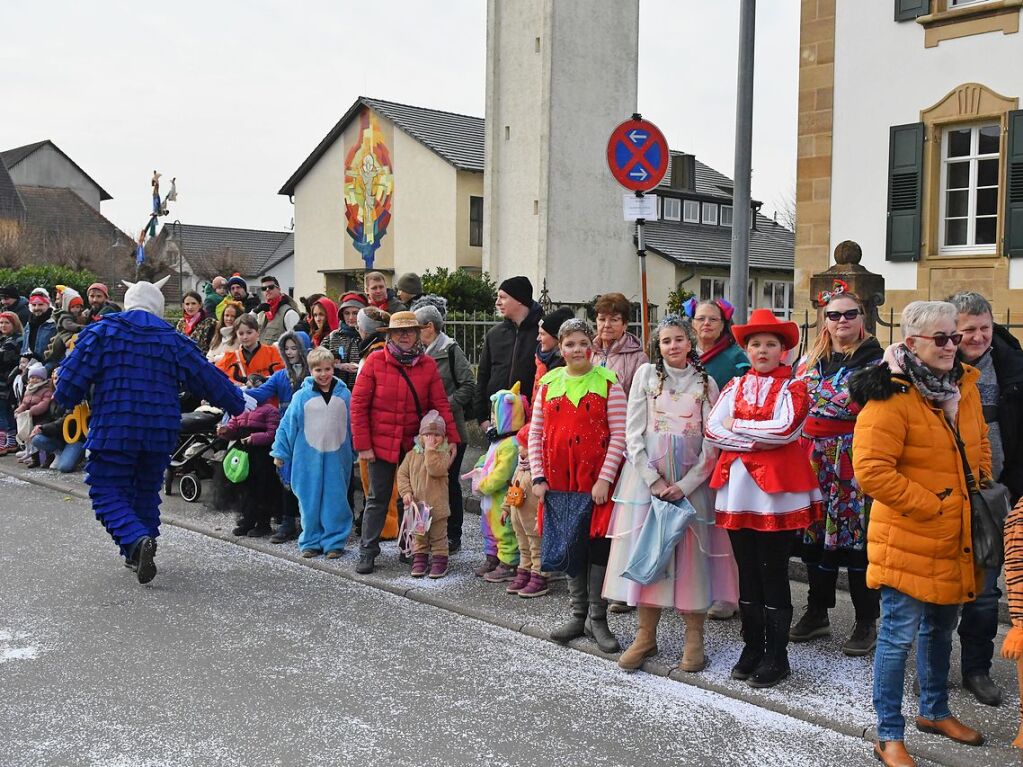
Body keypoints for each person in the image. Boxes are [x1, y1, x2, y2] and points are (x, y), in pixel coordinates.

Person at [850, 300, 988, 766]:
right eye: (942, 339)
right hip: (908, 536)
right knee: (897, 637)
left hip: (955, 534)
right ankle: (888, 734)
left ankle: (933, 710)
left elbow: (979, 442)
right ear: (911, 344)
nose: (954, 345)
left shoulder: (961, 385)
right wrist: (932, 505)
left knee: (941, 628)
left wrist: (978, 482)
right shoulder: (889, 394)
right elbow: (870, 471)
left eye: (956, 336)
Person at [54, 277, 245, 584]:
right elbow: (208, 377)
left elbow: (68, 384)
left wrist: (65, 397)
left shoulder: (102, 331)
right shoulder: (173, 339)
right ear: (157, 306)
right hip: (159, 430)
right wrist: (240, 404)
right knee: (145, 489)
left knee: (106, 489)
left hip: (115, 427)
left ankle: (136, 541)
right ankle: (139, 549)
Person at [607, 315, 738, 673]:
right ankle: (645, 635)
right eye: (666, 341)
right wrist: (652, 480)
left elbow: (713, 441)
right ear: (658, 346)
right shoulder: (646, 378)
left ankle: (694, 641)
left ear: (690, 342)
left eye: (679, 339)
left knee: (691, 559)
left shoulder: (706, 382)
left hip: (690, 484)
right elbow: (633, 435)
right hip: (649, 483)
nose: (673, 346)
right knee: (652, 552)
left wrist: (687, 484)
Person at [705, 308, 821, 689]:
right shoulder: (734, 386)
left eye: (771, 344)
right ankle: (752, 646)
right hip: (737, 491)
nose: (763, 350)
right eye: (756, 344)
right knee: (747, 570)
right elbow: (712, 429)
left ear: (783, 350)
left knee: (773, 572)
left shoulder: (795, 388)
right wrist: (753, 437)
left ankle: (778, 655)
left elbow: (787, 430)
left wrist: (737, 428)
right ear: (747, 349)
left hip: (777, 494)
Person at [790, 283, 883, 656]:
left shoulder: (877, 362)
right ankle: (817, 611)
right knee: (816, 537)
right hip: (812, 458)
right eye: (833, 315)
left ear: (862, 319)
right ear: (823, 321)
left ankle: (866, 620)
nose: (841, 321)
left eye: (849, 314)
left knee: (856, 539)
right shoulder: (810, 362)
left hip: (853, 458)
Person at [529, 318, 627, 654]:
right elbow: (535, 433)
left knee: (597, 545)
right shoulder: (549, 383)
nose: (577, 350)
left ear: (593, 346)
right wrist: (538, 476)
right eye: (569, 344)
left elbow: (620, 435)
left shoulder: (609, 383)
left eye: (583, 343)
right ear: (561, 348)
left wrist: (605, 478)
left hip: (595, 481)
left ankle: (597, 618)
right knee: (571, 544)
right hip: (558, 481)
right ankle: (577, 613)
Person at [948, 290, 1023, 707]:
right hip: (943, 495)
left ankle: (977, 668)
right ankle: (935, 668)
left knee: (986, 590)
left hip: (994, 495)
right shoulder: (934, 366)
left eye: (984, 328)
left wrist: (1012, 489)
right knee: (939, 591)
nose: (977, 337)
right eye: (968, 330)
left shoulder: (1014, 368)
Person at [350, 311, 459, 574]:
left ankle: (409, 547)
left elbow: (440, 404)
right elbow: (358, 406)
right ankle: (368, 550)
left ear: (419, 333)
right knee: (377, 497)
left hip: (413, 444)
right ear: (390, 335)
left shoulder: (427, 365)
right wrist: (363, 444)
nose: (405, 336)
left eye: (410, 330)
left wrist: (452, 437)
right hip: (380, 442)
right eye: (399, 331)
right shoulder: (375, 361)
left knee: (411, 498)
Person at [685, 298, 750, 621]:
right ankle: (699, 586)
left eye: (713, 319)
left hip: (723, 448)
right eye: (701, 319)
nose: (706, 324)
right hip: (689, 448)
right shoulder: (685, 354)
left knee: (721, 523)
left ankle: (728, 593)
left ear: (724, 325)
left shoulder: (736, 360)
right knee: (697, 522)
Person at [272, 346, 355, 559]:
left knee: (336, 499)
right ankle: (310, 541)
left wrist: (358, 450)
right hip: (306, 459)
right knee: (309, 500)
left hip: (338, 458)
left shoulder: (345, 394)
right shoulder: (301, 396)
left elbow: (353, 424)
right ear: (311, 371)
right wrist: (280, 452)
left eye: (327, 369)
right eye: (318, 370)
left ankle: (334, 542)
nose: (324, 374)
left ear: (333, 369)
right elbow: (287, 425)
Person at [413, 295, 476, 554]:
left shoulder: (450, 349)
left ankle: (453, 535)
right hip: (424, 432)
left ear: (429, 327)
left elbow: (469, 385)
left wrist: (442, 406)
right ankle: (425, 533)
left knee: (448, 482)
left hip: (450, 430)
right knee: (424, 482)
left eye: (417, 328)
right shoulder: (416, 352)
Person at [246, 330, 312, 543]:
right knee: (287, 475)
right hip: (288, 433)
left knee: (310, 477)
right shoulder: (280, 376)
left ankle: (309, 522)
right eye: (287, 348)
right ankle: (287, 521)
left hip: (312, 432)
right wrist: (234, 392)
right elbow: (260, 393)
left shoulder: (315, 373)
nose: (290, 352)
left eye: (295, 347)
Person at [471, 383, 528, 581]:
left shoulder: (511, 444)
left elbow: (503, 473)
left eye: (497, 416)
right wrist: (478, 468)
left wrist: (484, 485)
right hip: (489, 498)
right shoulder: (497, 441)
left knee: (504, 529)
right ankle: (492, 557)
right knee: (488, 527)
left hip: (500, 495)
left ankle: (509, 562)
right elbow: (487, 459)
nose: (493, 420)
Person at [217, 374, 282, 538]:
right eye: (249, 387)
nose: (252, 391)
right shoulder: (240, 409)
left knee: (261, 489)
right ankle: (247, 520)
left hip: (261, 456)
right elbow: (233, 428)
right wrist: (225, 431)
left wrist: (255, 438)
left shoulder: (270, 410)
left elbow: (273, 433)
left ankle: (263, 523)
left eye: (256, 387)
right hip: (242, 453)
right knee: (244, 489)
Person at [476, 276, 543, 429]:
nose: (497, 302)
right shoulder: (494, 334)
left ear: (519, 299)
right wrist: (481, 418)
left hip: (530, 421)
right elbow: (482, 376)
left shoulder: (542, 334)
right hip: (496, 419)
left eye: (503, 297)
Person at [397, 409, 452, 578]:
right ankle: (419, 559)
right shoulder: (411, 455)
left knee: (438, 537)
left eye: (436, 436)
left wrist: (430, 451)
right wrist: (406, 492)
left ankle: (440, 561)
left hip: (438, 508)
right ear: (420, 435)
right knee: (419, 537)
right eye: (427, 435)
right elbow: (402, 474)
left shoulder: (444, 454)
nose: (432, 439)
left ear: (443, 437)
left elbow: (435, 470)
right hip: (418, 507)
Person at [502, 425, 548, 597]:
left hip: (533, 519)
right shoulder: (520, 467)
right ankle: (524, 570)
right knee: (523, 547)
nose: (519, 449)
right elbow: (512, 488)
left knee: (537, 548)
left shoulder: (539, 471)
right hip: (518, 518)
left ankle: (539, 575)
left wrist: (541, 518)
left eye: (523, 446)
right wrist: (505, 508)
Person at [592, 292, 648, 396]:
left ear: (625, 324)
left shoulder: (638, 359)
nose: (607, 325)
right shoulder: (587, 352)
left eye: (614, 320)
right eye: (602, 319)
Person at [216, 313, 284, 385]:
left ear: (258, 332)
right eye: (241, 334)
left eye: (249, 332)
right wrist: (235, 384)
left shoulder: (273, 352)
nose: (245, 337)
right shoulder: (229, 359)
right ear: (236, 334)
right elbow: (215, 374)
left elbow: (283, 377)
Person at [324, 292, 366, 391]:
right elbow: (317, 361)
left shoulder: (367, 337)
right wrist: (337, 365)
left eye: (355, 313)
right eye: (347, 313)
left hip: (360, 389)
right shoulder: (333, 336)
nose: (351, 317)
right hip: (334, 390)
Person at [14, 362, 53, 465]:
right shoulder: (28, 390)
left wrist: (31, 411)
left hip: (41, 417)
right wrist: (19, 410)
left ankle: (47, 457)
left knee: (37, 437)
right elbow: (25, 403)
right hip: (30, 417)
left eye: (37, 378)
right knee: (29, 438)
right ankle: (34, 458)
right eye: (32, 377)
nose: (34, 380)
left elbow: (44, 404)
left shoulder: (46, 390)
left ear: (43, 379)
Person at [533, 307, 574, 393]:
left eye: (542, 334)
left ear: (557, 338)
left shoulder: (568, 365)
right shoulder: (540, 360)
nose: (538, 338)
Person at [44, 288, 86, 369]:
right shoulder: (65, 316)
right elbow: (69, 326)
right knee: (67, 344)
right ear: (68, 306)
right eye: (73, 307)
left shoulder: (79, 316)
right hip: (66, 333)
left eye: (78, 307)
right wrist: (82, 328)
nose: (76, 310)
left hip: (71, 333)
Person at [0, 311, 23, 454]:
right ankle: (10, 441)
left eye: (6, 323)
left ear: (14, 324)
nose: (3, 325)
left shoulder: (14, 341)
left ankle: (4, 443)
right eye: (1, 323)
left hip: (6, 382)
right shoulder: (5, 339)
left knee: (4, 413)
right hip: (5, 381)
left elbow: (3, 360)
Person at [257, 275, 301, 344]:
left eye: (271, 287)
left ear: (279, 289)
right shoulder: (261, 313)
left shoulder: (289, 313)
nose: (267, 290)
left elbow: (295, 343)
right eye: (264, 288)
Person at [21, 289, 57, 370]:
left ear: (48, 305)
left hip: (47, 368)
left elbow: (57, 354)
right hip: (30, 367)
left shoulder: (54, 323)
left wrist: (44, 369)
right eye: (34, 305)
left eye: (40, 304)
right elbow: (25, 349)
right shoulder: (29, 323)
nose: (37, 308)